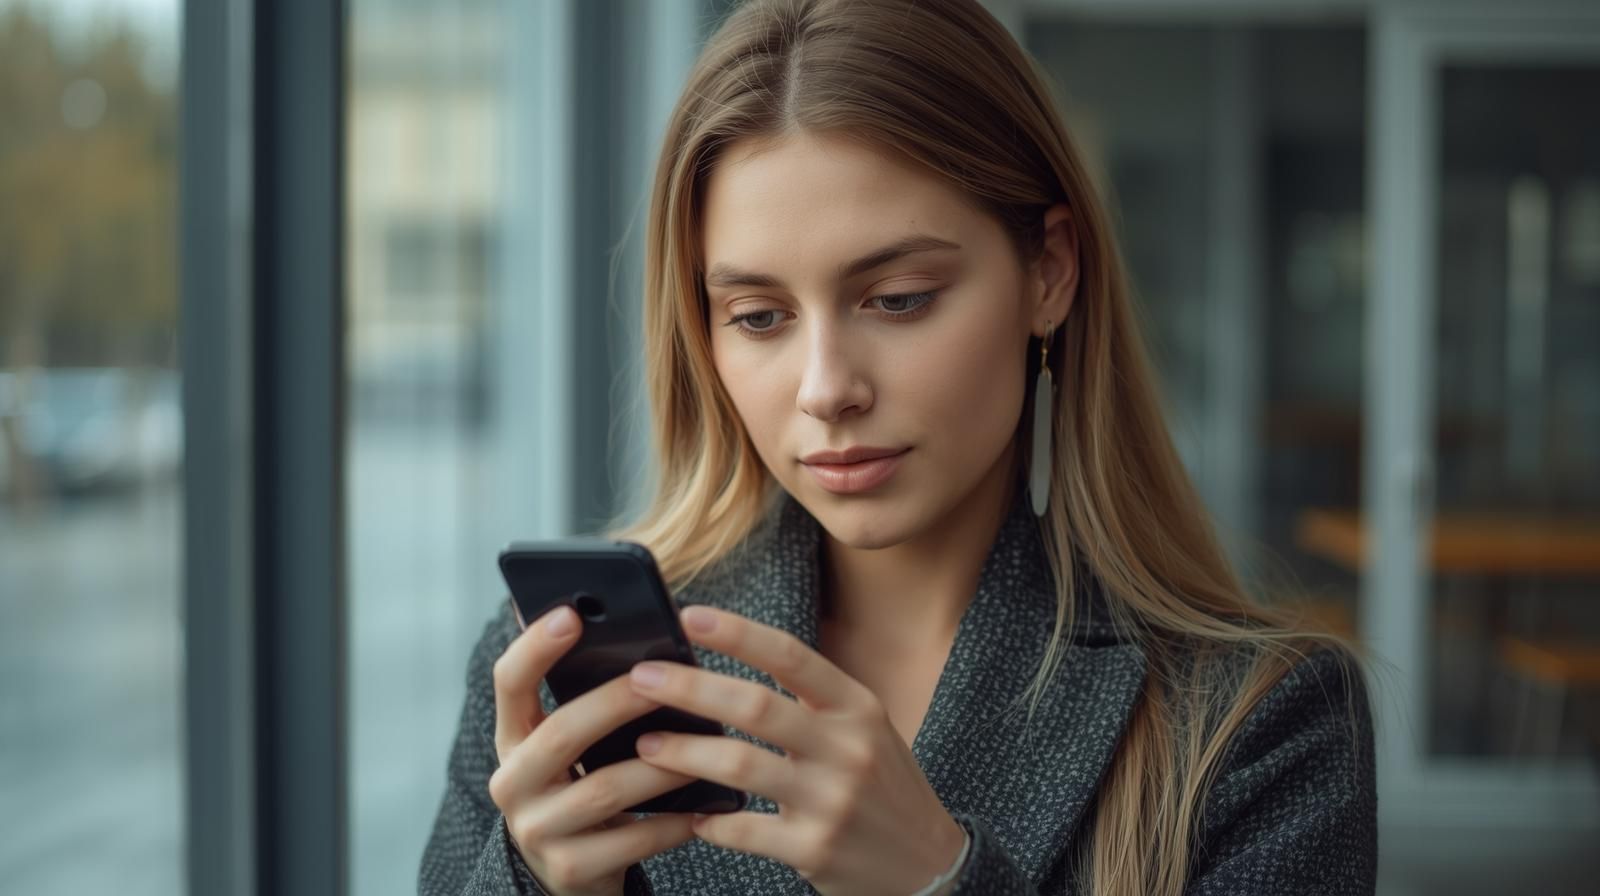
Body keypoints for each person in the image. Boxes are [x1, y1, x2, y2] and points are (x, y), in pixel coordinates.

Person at [419, 0, 1377, 893]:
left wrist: (939, 877)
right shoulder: (561, 683)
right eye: (757, 317)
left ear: (1049, 271)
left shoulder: (1260, 725)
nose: (827, 387)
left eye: (899, 298)